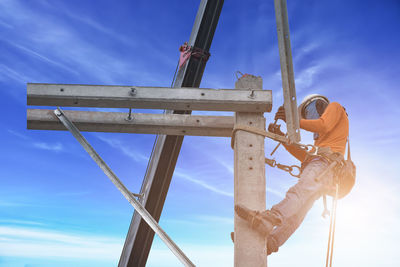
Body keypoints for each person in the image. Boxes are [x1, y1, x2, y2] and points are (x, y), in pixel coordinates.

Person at [235, 94, 349, 255]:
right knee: (299, 210)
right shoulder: (324, 143)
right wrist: (281, 137)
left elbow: (322, 125)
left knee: (299, 192)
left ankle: (269, 218)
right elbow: (305, 157)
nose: (310, 116)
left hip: (323, 167)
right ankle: (273, 241)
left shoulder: (335, 107)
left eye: (309, 112)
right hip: (326, 171)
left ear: (319, 105)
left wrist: (292, 121)